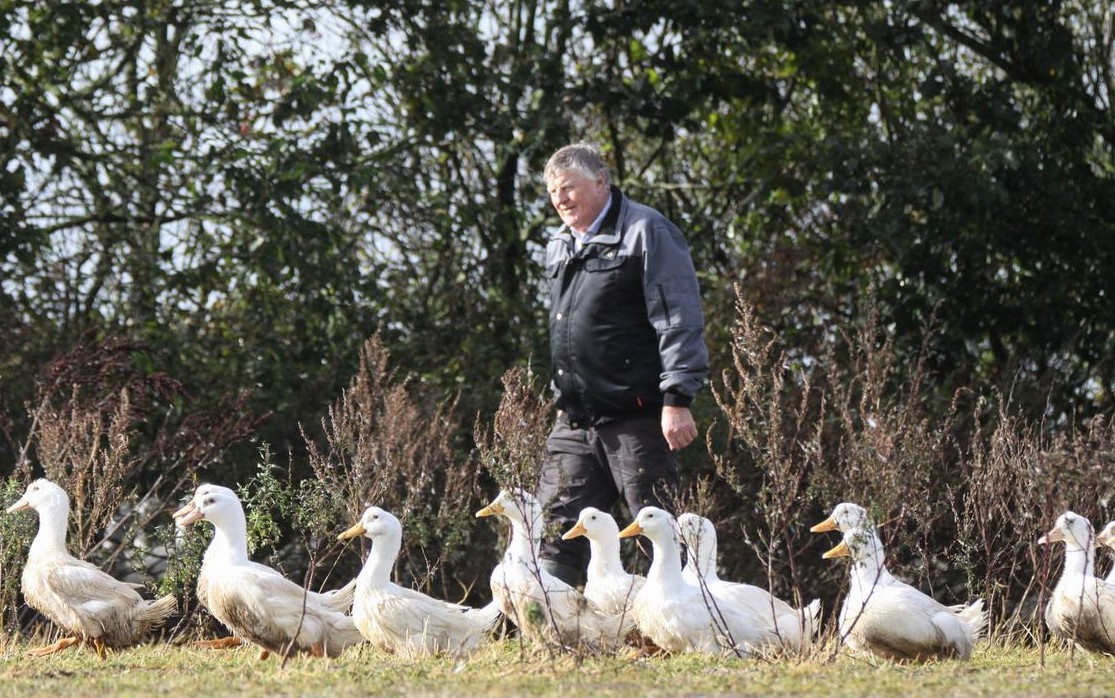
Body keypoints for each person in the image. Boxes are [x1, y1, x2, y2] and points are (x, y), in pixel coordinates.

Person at [536, 142, 709, 586]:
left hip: (637, 416)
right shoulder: (558, 245)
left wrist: (677, 398)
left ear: (600, 181)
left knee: (660, 533)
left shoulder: (647, 231)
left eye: (569, 187)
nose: (560, 199)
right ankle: (545, 635)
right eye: (553, 191)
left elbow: (677, 316)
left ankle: (690, 631)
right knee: (555, 533)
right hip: (575, 420)